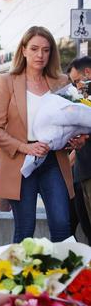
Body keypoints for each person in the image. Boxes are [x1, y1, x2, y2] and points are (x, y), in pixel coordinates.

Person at [0, 26, 74, 243]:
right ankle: (20, 278)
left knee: (63, 225)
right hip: (20, 161)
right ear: (23, 50)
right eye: (34, 49)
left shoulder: (62, 82)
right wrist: (26, 147)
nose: (40, 55)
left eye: (45, 50)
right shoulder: (6, 81)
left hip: (53, 159)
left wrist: (76, 137)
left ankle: (63, 277)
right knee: (25, 228)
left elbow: (71, 122)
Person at [67, 56, 91, 242]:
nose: (76, 88)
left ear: (88, 73)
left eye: (76, 81)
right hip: (81, 174)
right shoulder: (82, 100)